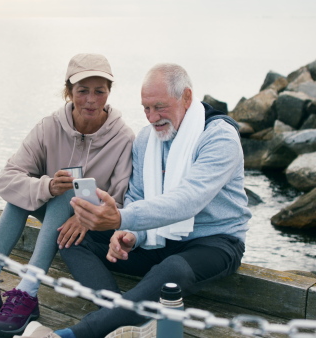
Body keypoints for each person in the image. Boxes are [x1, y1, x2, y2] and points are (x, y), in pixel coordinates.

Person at [19, 63, 251, 338]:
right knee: (72, 236)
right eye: (146, 108)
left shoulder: (219, 136)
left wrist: (121, 218)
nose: (152, 118)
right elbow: (137, 197)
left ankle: (74, 334)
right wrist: (129, 235)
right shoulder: (145, 140)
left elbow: (189, 200)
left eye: (160, 107)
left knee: (173, 269)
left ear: (186, 97)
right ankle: (125, 321)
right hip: (157, 238)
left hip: (215, 241)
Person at [0, 53, 135, 337]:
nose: (91, 100)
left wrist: (86, 217)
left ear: (109, 92)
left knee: (64, 195)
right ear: (68, 91)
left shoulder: (123, 138)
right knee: (26, 192)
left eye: (100, 91)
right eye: (82, 91)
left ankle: (28, 291)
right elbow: (7, 179)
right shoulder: (49, 127)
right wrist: (46, 186)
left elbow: (122, 200)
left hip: (94, 226)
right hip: (56, 214)